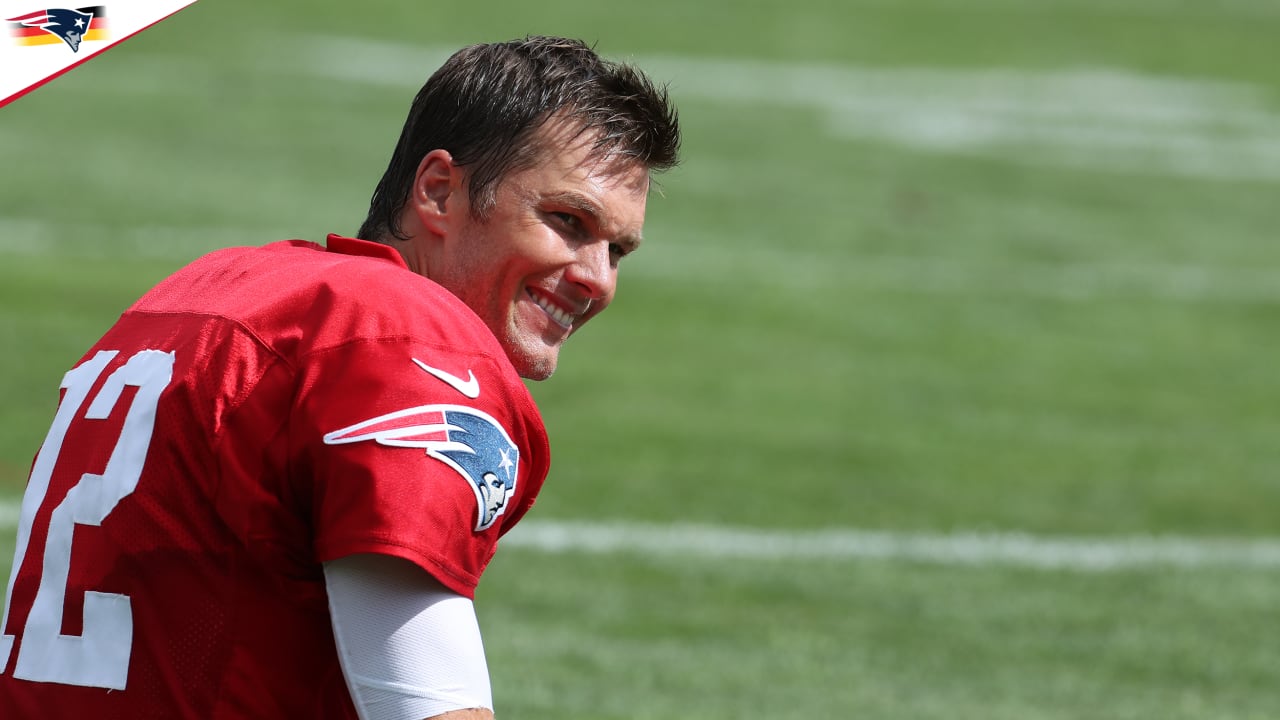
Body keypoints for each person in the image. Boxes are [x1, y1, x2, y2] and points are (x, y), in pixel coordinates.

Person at [0, 35, 680, 719]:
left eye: (617, 251)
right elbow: (423, 700)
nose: (597, 279)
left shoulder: (203, 289)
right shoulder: (403, 337)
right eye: (568, 221)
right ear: (439, 191)